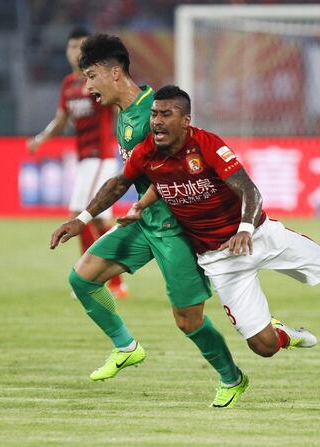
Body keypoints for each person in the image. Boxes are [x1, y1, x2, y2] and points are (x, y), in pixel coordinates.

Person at [52, 85, 320, 372]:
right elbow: (119, 184)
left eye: (165, 114)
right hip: (220, 259)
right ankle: (287, 335)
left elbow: (250, 190)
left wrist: (245, 228)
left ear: (185, 120)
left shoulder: (208, 145)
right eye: (154, 114)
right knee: (263, 347)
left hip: (260, 236)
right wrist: (85, 218)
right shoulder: (146, 153)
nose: (155, 121)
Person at [49, 34, 268, 408]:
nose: (87, 86)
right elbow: (128, 177)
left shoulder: (157, 112)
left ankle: (232, 377)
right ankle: (126, 346)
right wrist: (84, 218)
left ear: (114, 72)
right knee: (82, 278)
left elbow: (178, 169)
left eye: (91, 76)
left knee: (188, 321)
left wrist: (133, 206)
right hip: (145, 223)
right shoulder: (124, 116)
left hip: (176, 230)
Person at [27, 28, 126, 299]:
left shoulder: (100, 81)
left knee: (80, 214)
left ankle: (91, 278)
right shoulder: (69, 84)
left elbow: (121, 103)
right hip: (84, 159)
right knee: (99, 221)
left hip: (103, 155)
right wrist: (40, 139)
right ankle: (113, 280)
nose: (75, 51)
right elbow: (61, 120)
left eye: (81, 46)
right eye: (71, 46)